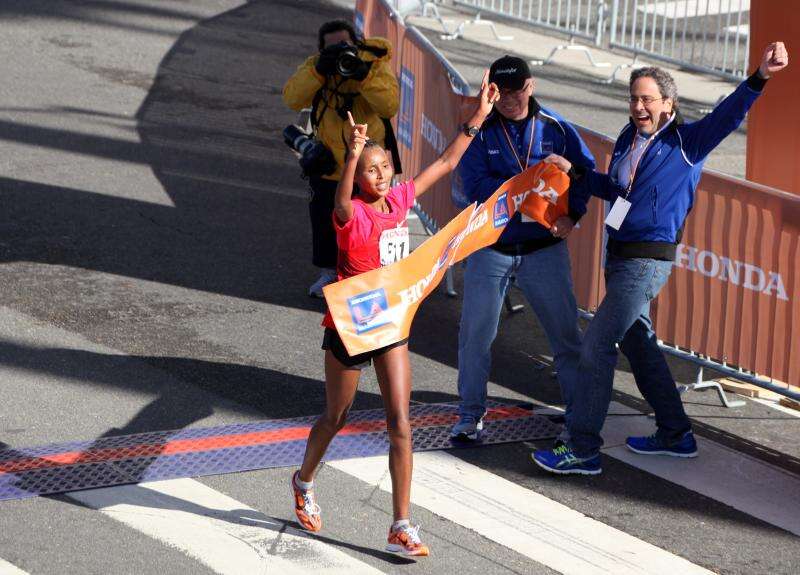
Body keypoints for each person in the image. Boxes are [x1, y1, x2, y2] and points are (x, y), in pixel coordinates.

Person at [532, 42, 789, 475]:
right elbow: (618, 192)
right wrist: (575, 172)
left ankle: (582, 447)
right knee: (642, 346)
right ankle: (675, 432)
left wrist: (759, 76)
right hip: (620, 256)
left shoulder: (687, 142)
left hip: (646, 262)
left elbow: (728, 115)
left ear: (668, 104)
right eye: (634, 98)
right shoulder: (630, 137)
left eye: (647, 99)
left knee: (596, 344)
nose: (638, 106)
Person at [290, 74, 500, 555]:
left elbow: (447, 162)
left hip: (392, 322)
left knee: (400, 423)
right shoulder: (352, 213)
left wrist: (481, 113)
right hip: (350, 323)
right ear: (359, 175)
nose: (379, 176)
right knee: (336, 416)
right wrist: (351, 152)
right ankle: (303, 481)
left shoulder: (401, 199)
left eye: (383, 166)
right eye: (370, 170)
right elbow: (341, 202)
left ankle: (402, 523)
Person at [450, 55, 596, 442]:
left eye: (517, 91)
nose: (509, 100)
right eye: (501, 93)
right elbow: (474, 184)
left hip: (543, 248)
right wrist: (525, 183)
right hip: (491, 246)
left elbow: (587, 174)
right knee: (475, 335)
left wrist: (574, 215)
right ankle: (469, 414)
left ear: (530, 86)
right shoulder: (480, 130)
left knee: (565, 336)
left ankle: (579, 421)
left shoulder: (557, 128)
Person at [283, 19, 399, 297]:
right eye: (331, 48)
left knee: (369, 226)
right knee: (325, 222)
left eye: (343, 45)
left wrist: (363, 76)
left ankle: (370, 279)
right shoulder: (316, 67)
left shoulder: (373, 64)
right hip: (329, 164)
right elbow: (292, 99)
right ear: (321, 50)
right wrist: (318, 71)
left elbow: (390, 104)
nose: (338, 52)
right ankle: (329, 275)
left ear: (356, 42)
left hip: (366, 166)